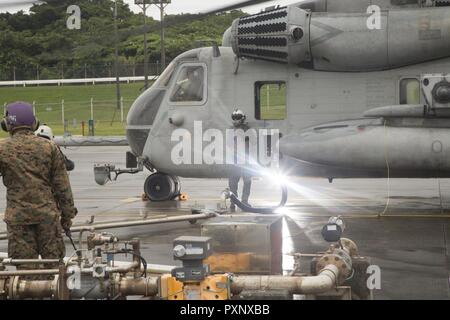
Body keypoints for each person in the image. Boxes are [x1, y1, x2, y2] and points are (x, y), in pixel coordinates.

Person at [0, 102, 77, 271]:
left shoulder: (2, 148)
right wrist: (67, 216)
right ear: (34, 123)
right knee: (56, 273)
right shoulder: (49, 147)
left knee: (26, 276)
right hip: (47, 218)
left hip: (18, 220)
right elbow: (62, 186)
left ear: (8, 124)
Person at [229, 109, 252, 212]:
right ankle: (233, 202)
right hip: (234, 161)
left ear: (242, 118)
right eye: (234, 118)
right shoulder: (231, 130)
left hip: (245, 160)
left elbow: (250, 144)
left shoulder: (247, 130)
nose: (235, 120)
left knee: (247, 182)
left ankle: (244, 201)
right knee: (233, 183)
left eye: (237, 118)